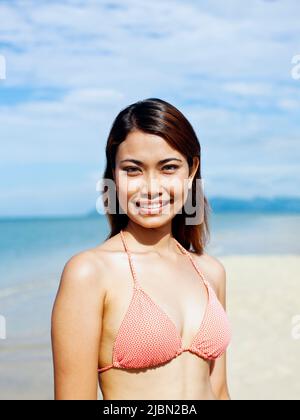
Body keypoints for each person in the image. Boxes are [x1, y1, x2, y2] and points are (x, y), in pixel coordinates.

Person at [51, 98, 232, 400]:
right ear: (113, 176)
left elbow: (220, 390)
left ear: (192, 170)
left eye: (168, 168)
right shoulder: (89, 273)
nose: (151, 187)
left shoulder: (210, 272)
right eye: (133, 170)